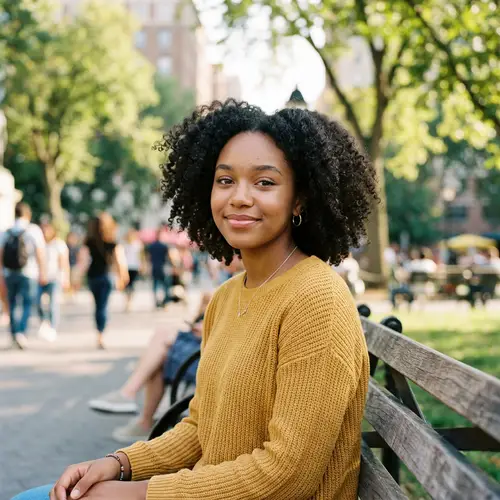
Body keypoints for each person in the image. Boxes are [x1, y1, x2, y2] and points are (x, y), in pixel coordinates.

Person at [15, 100, 376, 500]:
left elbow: (288, 476)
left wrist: (134, 495)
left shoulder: (317, 300)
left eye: (265, 183)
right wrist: (119, 464)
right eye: (225, 180)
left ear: (300, 200)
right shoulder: (225, 297)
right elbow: (199, 429)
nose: (239, 197)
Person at [87, 292, 212, 443]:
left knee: (160, 347)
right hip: (202, 346)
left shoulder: (240, 281)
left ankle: (131, 400)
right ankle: (140, 414)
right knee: (158, 352)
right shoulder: (236, 281)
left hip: (209, 351)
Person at [0, 202, 46, 349]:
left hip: (9, 273)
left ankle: (14, 334)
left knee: (12, 303)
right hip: (29, 272)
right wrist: (42, 272)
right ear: (28, 214)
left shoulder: (6, 232)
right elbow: (40, 253)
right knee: (27, 303)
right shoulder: (33, 230)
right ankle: (22, 332)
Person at [81, 213, 129, 349]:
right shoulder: (112, 242)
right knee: (103, 306)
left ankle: (99, 331)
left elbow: (83, 261)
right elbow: (120, 261)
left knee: (97, 305)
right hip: (106, 277)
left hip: (92, 277)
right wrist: (123, 277)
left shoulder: (88, 242)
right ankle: (100, 334)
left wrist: (77, 277)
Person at [37, 223, 70, 342]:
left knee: (53, 303)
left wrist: (66, 278)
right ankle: (44, 321)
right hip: (39, 277)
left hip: (54, 278)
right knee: (37, 302)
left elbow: (64, 263)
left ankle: (53, 327)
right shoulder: (39, 243)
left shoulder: (59, 244)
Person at [146, 229, 172, 308]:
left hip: (154, 267)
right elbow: (169, 257)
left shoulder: (151, 246)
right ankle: (165, 301)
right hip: (163, 267)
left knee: (155, 286)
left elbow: (148, 258)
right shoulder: (164, 246)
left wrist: (148, 267)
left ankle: (156, 302)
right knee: (166, 286)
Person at [123, 228, 145, 312]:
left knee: (131, 284)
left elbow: (141, 256)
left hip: (134, 267)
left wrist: (142, 265)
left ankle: (129, 301)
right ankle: (128, 301)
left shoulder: (138, 244)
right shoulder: (125, 244)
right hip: (126, 267)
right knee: (127, 285)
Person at [65, 231, 81, 299]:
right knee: (68, 280)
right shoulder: (66, 246)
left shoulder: (76, 248)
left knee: (75, 280)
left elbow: (79, 257)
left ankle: (74, 293)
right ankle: (69, 294)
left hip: (74, 265)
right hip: (67, 265)